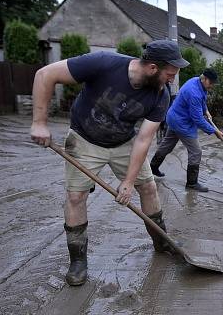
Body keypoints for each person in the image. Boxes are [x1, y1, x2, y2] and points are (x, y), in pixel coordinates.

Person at [30, 40, 189, 286]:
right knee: (75, 197)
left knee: (147, 187)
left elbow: (144, 139)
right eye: (170, 74)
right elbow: (45, 74)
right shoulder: (103, 63)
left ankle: (161, 240)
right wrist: (39, 122)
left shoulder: (161, 95)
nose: (172, 80)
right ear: (153, 68)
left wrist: (127, 182)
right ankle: (78, 260)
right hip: (84, 138)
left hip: (124, 143)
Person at [150, 68, 223, 192]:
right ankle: (192, 183)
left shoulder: (196, 81)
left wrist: (205, 110)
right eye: (211, 83)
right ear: (204, 79)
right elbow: (198, 119)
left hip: (173, 118)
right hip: (182, 123)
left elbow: (202, 99)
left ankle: (152, 167)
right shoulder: (193, 92)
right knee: (196, 151)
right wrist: (214, 131)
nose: (212, 86)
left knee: (167, 145)